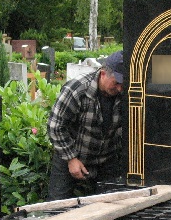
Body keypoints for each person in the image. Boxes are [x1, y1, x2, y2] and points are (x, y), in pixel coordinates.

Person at [46, 50, 125, 200]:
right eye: (117, 83)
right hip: (72, 156)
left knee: (112, 207)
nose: (120, 88)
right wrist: (71, 158)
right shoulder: (77, 89)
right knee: (57, 207)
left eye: (123, 84)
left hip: (106, 160)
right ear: (103, 73)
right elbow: (55, 126)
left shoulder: (125, 94)